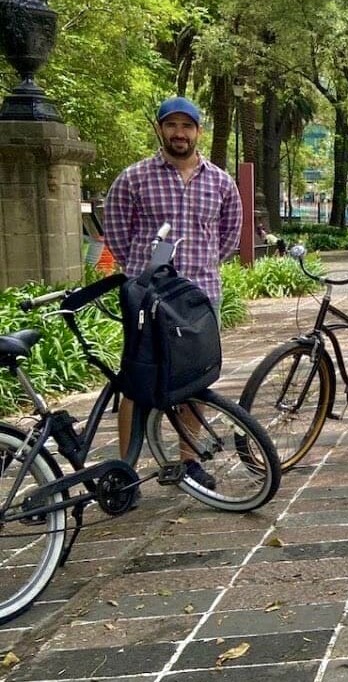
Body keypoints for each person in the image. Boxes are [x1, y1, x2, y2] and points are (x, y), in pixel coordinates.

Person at [103, 96, 242, 490]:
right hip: (149, 297)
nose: (179, 133)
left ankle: (188, 459)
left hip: (199, 296)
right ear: (160, 129)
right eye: (172, 125)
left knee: (195, 381)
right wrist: (140, 275)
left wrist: (201, 267)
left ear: (198, 131)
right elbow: (117, 233)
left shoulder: (221, 182)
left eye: (187, 126)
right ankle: (124, 469)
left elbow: (228, 237)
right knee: (137, 380)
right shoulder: (134, 178)